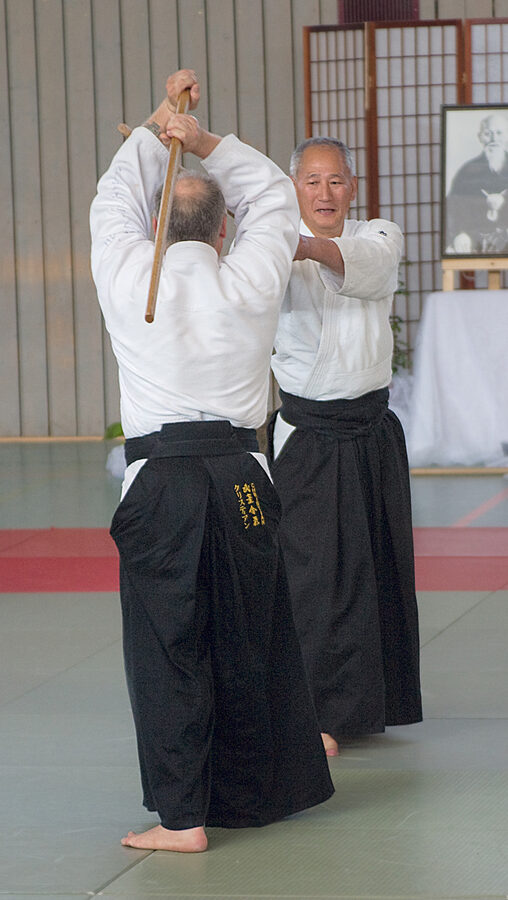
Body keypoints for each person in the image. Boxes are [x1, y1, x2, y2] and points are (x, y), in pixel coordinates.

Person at [90, 71, 333, 853]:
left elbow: (112, 200)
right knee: (247, 635)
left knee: (169, 645)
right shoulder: (252, 276)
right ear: (225, 230)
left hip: (159, 482)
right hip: (241, 482)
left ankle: (182, 818)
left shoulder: (130, 274)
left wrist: (160, 128)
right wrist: (199, 141)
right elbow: (270, 192)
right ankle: (253, 794)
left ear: (159, 229)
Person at [268, 136, 423, 758]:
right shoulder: (269, 247)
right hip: (310, 436)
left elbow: (367, 269)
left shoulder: (378, 235)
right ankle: (315, 711)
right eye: (311, 181)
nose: (324, 193)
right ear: (293, 186)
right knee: (316, 578)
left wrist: (296, 245)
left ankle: (368, 704)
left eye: (335, 181)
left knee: (376, 569)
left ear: (352, 189)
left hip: (372, 432)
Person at [446, 112, 508, 254]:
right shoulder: (467, 171)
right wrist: (459, 233)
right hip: (475, 237)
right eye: (488, 133)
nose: (494, 139)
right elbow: (454, 208)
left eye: (499, 133)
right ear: (480, 137)